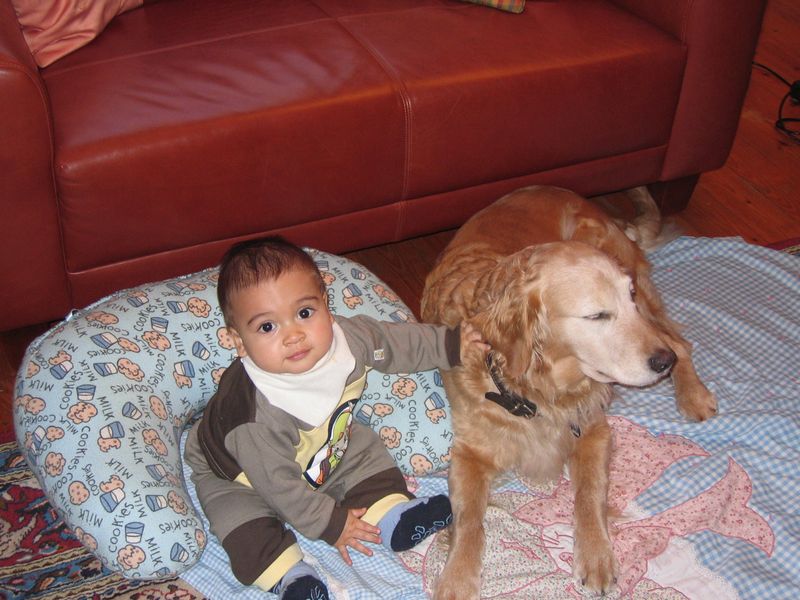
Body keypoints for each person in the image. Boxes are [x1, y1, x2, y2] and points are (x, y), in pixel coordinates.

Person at [184, 236, 486, 600]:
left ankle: (394, 515)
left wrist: (450, 345)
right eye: (267, 327)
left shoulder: (350, 339)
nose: (293, 335)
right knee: (241, 525)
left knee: (362, 450)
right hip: (241, 476)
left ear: (326, 306)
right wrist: (331, 524)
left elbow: (396, 343)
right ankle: (291, 577)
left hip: (324, 446)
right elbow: (278, 486)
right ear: (238, 341)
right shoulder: (253, 415)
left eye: (304, 313)